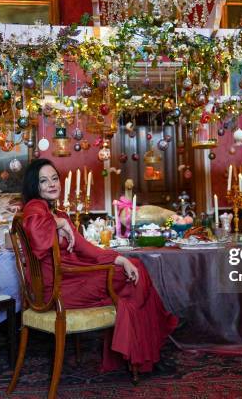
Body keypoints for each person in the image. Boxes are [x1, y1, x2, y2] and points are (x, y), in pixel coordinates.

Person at [20, 158, 177, 373]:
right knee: (135, 276)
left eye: (55, 179)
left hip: (67, 281)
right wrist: (60, 223)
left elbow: (85, 248)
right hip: (54, 289)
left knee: (133, 267)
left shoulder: (58, 213)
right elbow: (35, 232)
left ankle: (138, 352)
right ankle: (141, 355)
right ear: (34, 186)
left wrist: (120, 259)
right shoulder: (34, 206)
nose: (52, 184)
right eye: (44, 181)